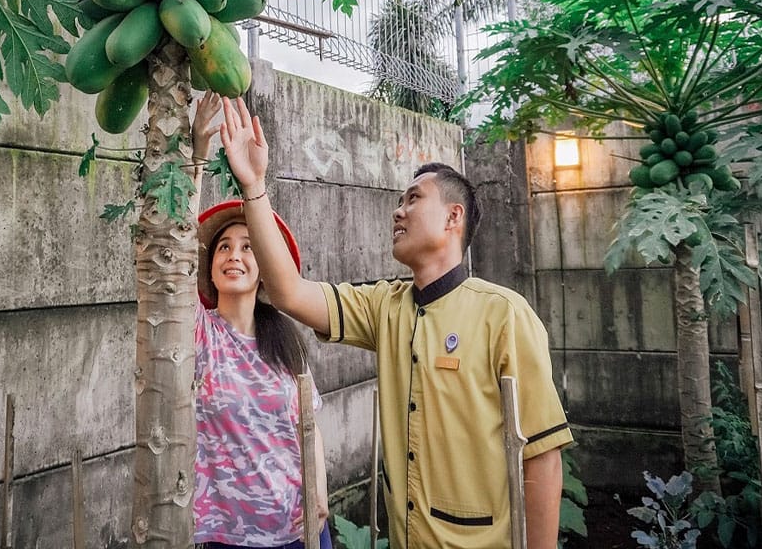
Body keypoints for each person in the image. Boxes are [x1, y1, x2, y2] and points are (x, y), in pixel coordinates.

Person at [218, 96, 573, 549]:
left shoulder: (503, 314)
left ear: (453, 216)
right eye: (399, 201)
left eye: (412, 199)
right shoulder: (386, 306)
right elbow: (288, 291)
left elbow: (542, 455)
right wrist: (254, 185)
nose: (397, 211)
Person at [191, 93, 332, 549]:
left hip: (299, 528)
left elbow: (307, 425)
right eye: (224, 247)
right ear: (210, 264)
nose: (234, 255)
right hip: (226, 536)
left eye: (249, 246)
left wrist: (321, 491)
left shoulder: (284, 338)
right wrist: (197, 157)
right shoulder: (200, 332)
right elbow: (172, 250)